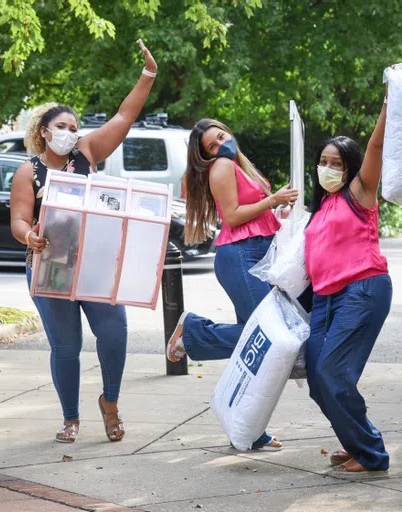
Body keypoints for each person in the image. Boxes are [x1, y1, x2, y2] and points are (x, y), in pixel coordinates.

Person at [9, 39, 158, 444]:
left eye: (74, 127)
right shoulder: (27, 172)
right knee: (66, 346)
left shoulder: (87, 153)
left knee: (114, 333)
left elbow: (125, 116)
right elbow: (19, 221)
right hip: (49, 264)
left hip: (94, 261)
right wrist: (31, 236)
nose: (70, 133)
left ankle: (110, 402)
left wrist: (148, 75)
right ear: (44, 131)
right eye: (62, 127)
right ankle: (70, 417)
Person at [166, 119, 299, 451]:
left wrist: (278, 213)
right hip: (241, 256)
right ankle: (193, 331)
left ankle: (249, 430)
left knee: (255, 348)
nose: (221, 145)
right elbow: (234, 215)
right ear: (208, 156)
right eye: (212, 146)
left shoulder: (241, 167)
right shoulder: (222, 167)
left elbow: (254, 215)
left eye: (221, 137)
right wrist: (272, 201)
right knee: (268, 339)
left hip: (255, 253)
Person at [304, 92, 393, 473]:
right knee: (317, 380)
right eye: (322, 161)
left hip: (362, 289)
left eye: (335, 163)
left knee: (333, 373)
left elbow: (375, 145)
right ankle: (356, 442)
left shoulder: (359, 192)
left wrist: (389, 104)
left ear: (349, 168)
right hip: (324, 299)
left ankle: (372, 455)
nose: (327, 167)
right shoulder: (323, 205)